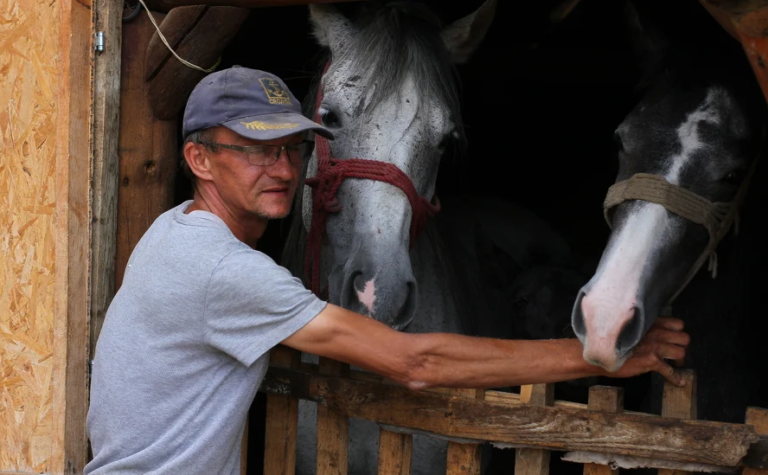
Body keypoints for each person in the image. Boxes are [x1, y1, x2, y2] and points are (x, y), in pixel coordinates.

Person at [85, 67, 689, 475]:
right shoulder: (221, 268)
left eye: (292, 149)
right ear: (199, 159)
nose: (281, 169)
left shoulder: (172, 229)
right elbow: (414, 362)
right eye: (252, 149)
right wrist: (591, 355)